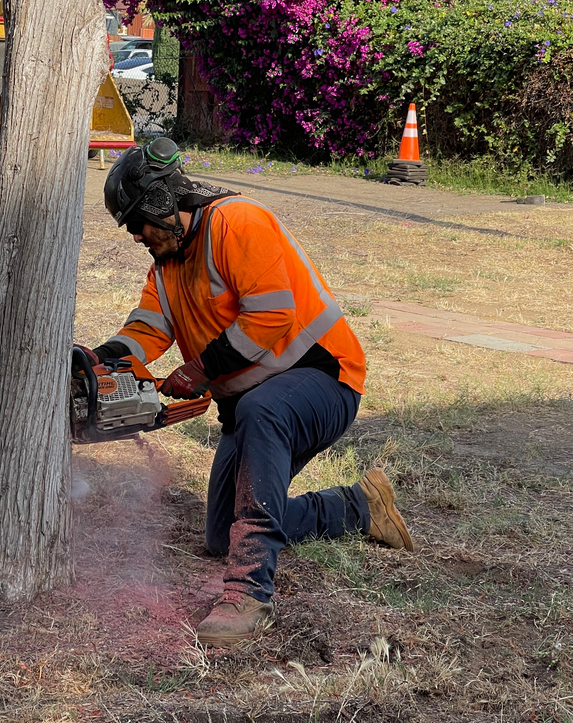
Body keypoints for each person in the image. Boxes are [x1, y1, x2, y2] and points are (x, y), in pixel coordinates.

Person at [80, 138, 413, 647]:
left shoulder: (238, 222)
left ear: (161, 205)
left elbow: (272, 313)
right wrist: (100, 361)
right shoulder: (165, 268)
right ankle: (357, 507)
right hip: (254, 405)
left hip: (323, 380)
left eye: (135, 224)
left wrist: (199, 371)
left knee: (261, 411)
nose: (136, 237)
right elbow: (147, 329)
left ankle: (248, 591)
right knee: (220, 533)